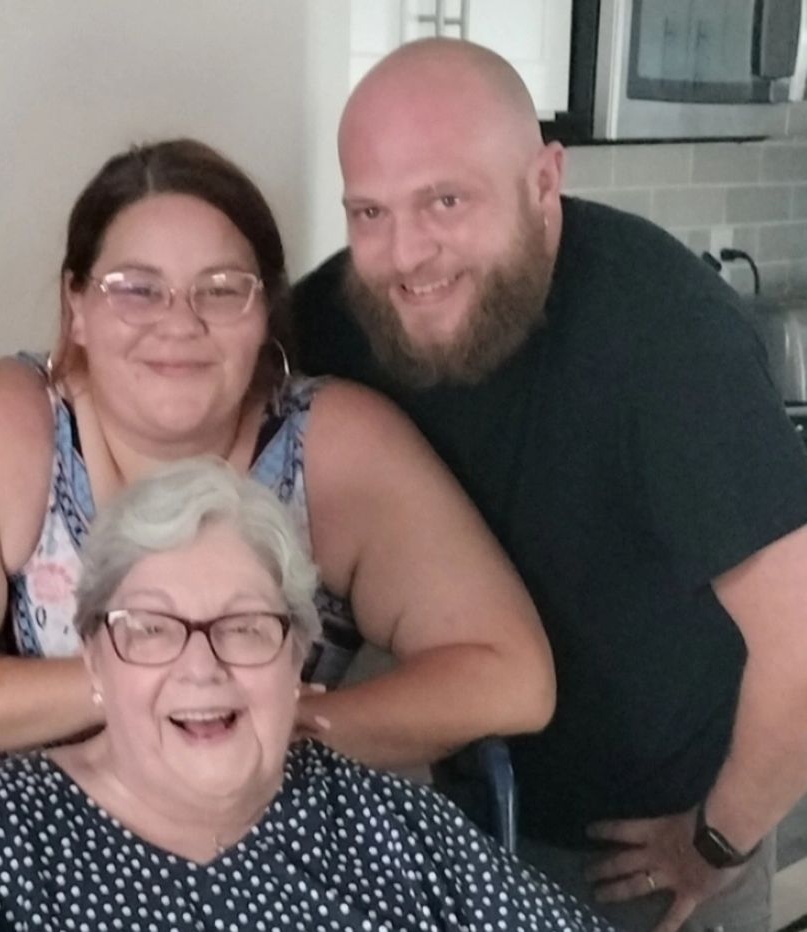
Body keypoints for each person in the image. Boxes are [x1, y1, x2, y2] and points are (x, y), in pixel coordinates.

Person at [0, 138, 554, 788]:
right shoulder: (3, 424)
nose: (178, 322)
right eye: (135, 289)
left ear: (266, 312)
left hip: (273, 859)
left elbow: (511, 677)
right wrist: (139, 689)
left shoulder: (337, 443)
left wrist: (283, 725)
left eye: (222, 290)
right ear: (76, 306)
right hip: (49, 863)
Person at [292, 37, 807, 932]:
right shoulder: (335, 320)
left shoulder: (667, 338)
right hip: (433, 818)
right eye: (368, 212)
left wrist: (717, 843)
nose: (408, 254)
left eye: (445, 200)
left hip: (635, 854)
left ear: (544, 180)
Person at [0, 458, 612, 931]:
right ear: (96, 659)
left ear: (298, 654)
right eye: (152, 629)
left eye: (246, 627)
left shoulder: (400, 835)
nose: (203, 668)